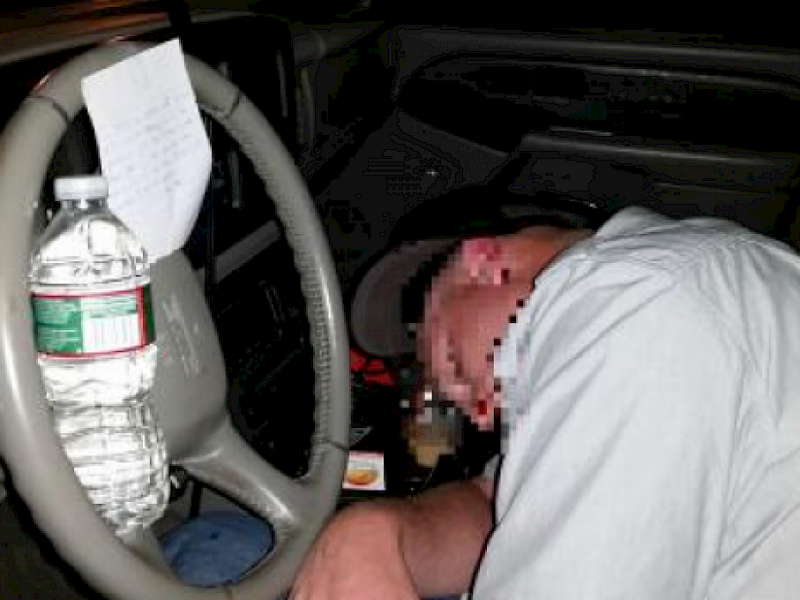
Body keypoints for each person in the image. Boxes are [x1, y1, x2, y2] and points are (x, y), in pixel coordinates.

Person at [290, 203, 800, 599]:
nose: (482, 416)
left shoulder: (633, 302)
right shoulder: (684, 278)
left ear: (485, 266)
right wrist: (372, 532)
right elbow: (497, 508)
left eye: (453, 365)